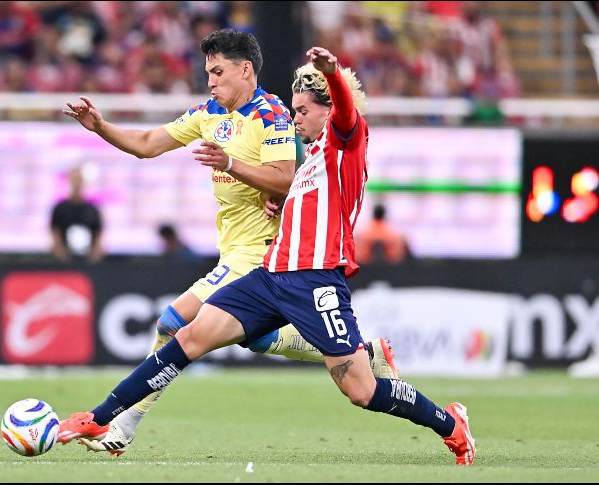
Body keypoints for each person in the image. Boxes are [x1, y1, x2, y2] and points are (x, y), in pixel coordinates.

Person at [67, 47, 476, 465]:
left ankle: (450, 423)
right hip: (269, 278)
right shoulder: (312, 158)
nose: (294, 118)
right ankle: (101, 418)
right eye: (294, 110)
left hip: (315, 280)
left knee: (362, 391)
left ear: (328, 110)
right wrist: (281, 204)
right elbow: (297, 196)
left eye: (302, 110)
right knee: (187, 333)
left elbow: (347, 115)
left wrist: (332, 73)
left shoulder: (345, 142)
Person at [50, 166, 104, 264]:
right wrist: (61, 255)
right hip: (65, 261)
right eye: (75, 179)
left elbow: (98, 234)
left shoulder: (92, 209)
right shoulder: (60, 208)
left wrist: (94, 256)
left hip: (88, 261)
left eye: (79, 180)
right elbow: (55, 233)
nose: (77, 183)